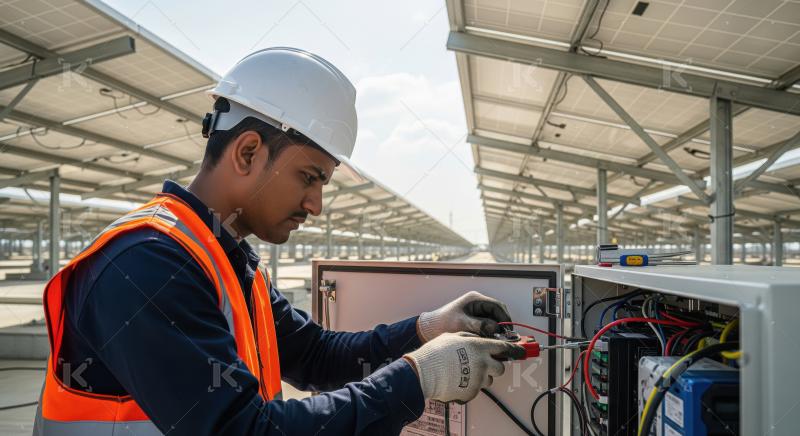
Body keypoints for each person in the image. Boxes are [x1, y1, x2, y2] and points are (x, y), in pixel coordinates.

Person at [34, 48, 523, 435]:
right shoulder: (146, 266)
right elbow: (247, 430)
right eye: (309, 177)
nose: (316, 205)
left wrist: (425, 329)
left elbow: (316, 355)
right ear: (247, 152)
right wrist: (419, 378)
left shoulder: (224, 262)